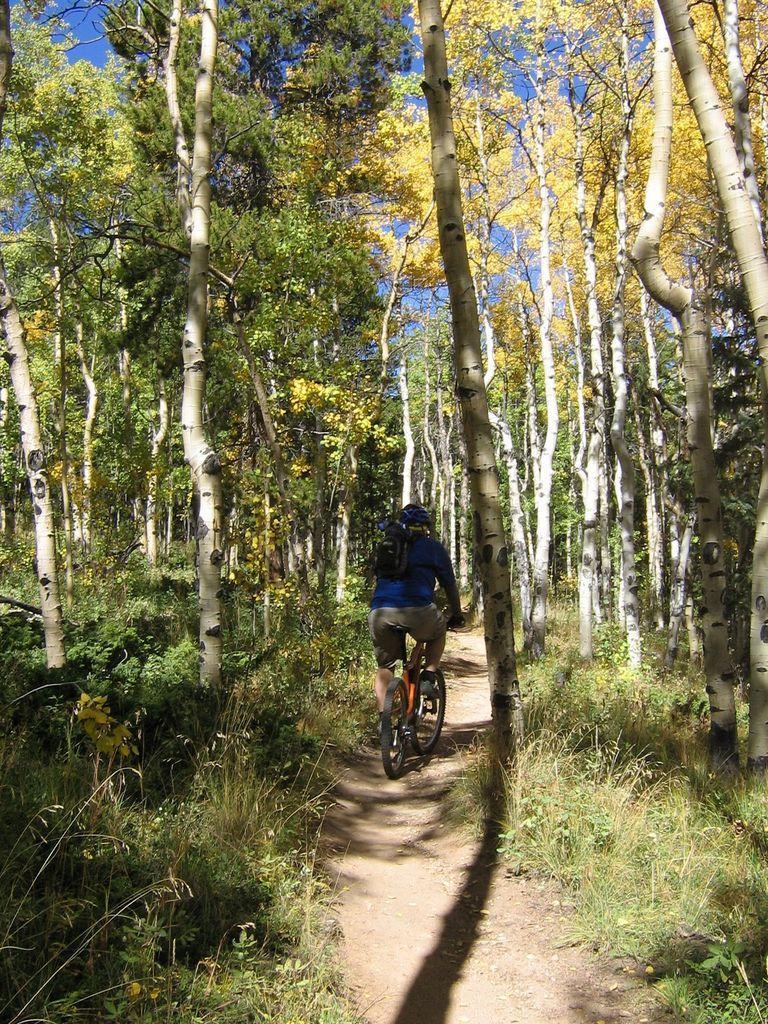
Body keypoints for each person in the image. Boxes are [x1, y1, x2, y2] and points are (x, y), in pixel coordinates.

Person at [368, 504, 465, 730]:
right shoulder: (432, 548)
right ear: (426, 527)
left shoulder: (389, 546)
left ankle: (385, 723)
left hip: (380, 612)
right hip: (419, 610)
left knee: (385, 666)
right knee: (438, 631)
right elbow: (449, 585)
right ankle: (429, 677)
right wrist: (457, 614)